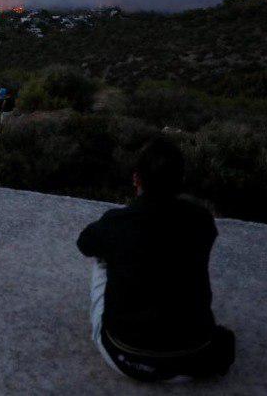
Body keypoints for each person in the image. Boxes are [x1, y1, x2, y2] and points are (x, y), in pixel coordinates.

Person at [76, 138, 235, 382]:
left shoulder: (117, 222)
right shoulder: (201, 220)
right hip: (193, 358)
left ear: (136, 179)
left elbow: (84, 244)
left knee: (102, 255)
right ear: (181, 181)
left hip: (127, 356)